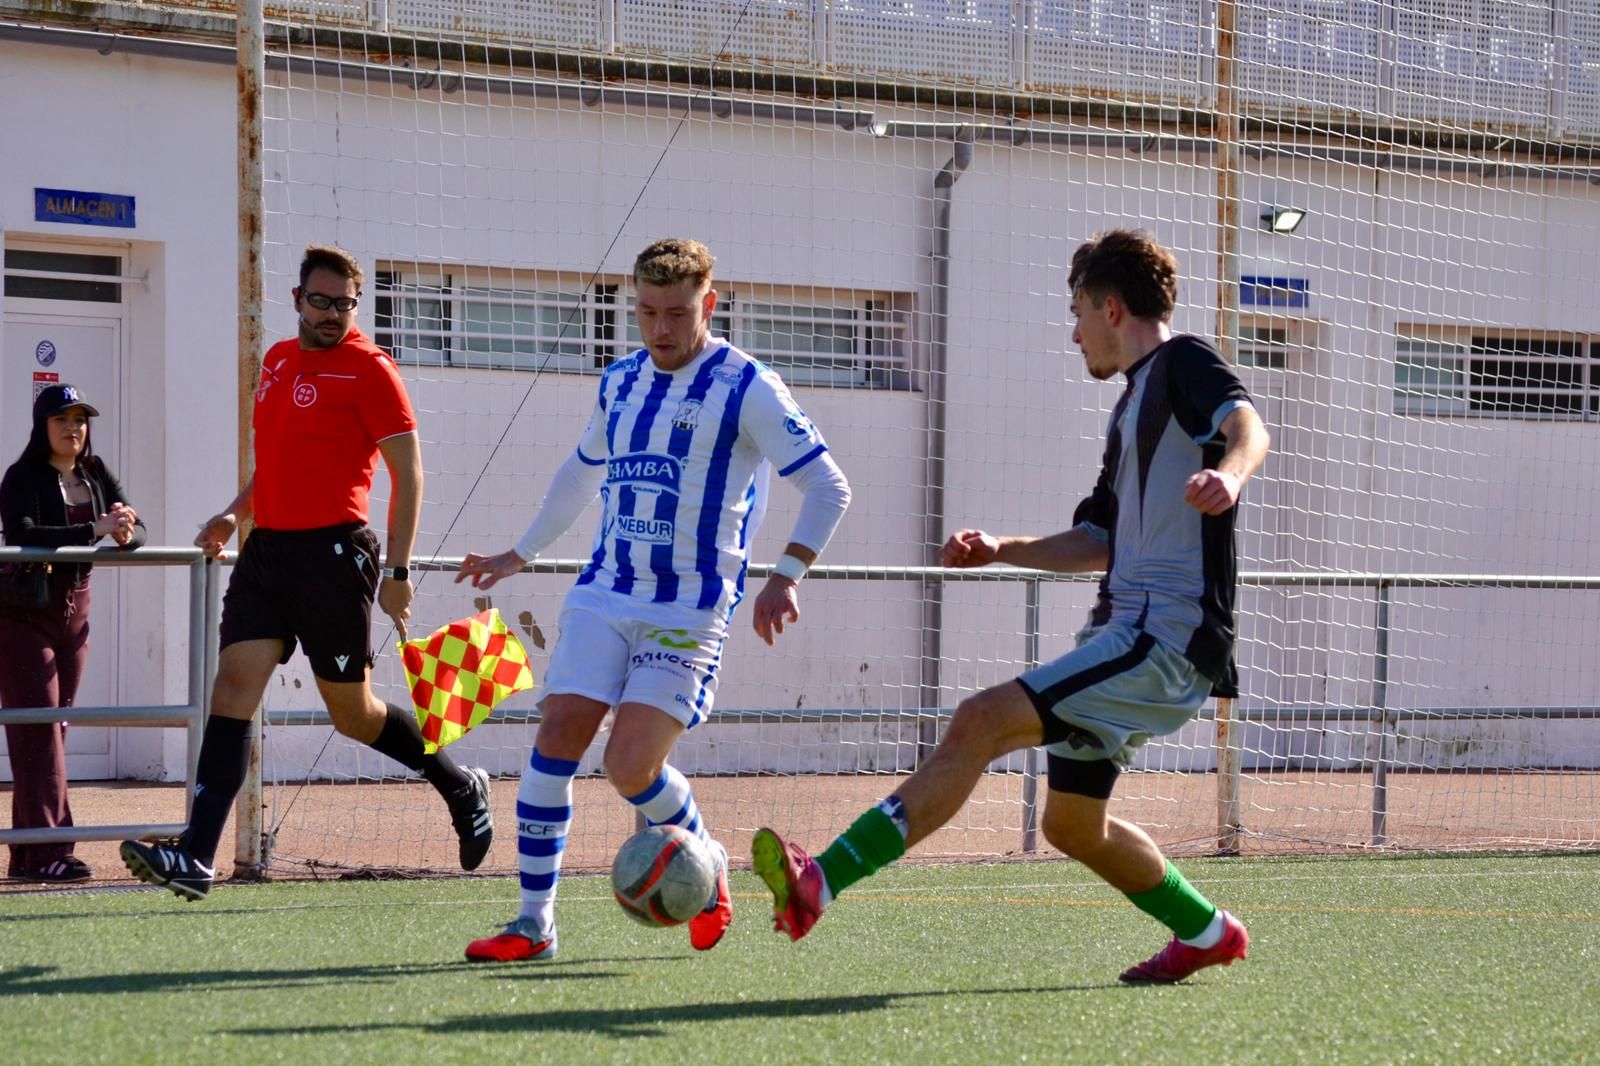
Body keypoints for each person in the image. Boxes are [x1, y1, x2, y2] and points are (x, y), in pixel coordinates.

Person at [752, 228, 1272, 984]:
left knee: (980, 719)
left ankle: (820, 880)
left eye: (1077, 312)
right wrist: (1003, 547)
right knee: (1069, 825)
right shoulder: (1130, 410)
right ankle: (1207, 931)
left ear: (1112, 306)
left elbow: (1250, 427)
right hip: (1129, 632)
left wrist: (1230, 473)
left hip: (1167, 634)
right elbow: (1099, 538)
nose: (1074, 331)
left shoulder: (1184, 362)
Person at [455, 238, 851, 961]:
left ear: (711, 303)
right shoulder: (620, 382)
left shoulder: (746, 386)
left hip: (689, 608)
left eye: (677, 312)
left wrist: (786, 575)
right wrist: (522, 552)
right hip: (605, 591)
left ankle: (709, 859)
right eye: (646, 311)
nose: (661, 328)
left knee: (629, 768)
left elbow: (828, 486)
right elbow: (580, 474)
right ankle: (533, 923)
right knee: (556, 738)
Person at [120, 244, 493, 900]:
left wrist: (399, 569)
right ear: (296, 299)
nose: (331, 314)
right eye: (320, 301)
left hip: (335, 557)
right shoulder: (277, 360)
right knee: (233, 686)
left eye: (344, 304)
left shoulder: (371, 370)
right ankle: (196, 857)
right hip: (267, 554)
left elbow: (409, 474)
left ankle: (459, 786)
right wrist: (234, 516)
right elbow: (278, 464)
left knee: (352, 714)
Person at [0, 384, 144, 882]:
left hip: (75, 611)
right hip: (25, 613)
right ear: (43, 427)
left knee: (53, 733)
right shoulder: (22, 476)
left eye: (80, 420)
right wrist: (96, 530)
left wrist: (125, 529)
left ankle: (26, 854)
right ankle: (50, 851)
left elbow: (134, 525)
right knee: (38, 733)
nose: (73, 429)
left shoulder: (96, 471)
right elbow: (22, 533)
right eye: (62, 419)